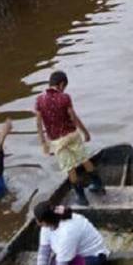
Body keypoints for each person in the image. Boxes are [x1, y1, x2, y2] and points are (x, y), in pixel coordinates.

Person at [35, 71, 105, 206]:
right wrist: (85, 132)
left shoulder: (39, 100)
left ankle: (82, 198)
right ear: (61, 84)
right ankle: (98, 185)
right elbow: (73, 117)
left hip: (57, 141)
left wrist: (43, 143)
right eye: (64, 86)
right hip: (72, 136)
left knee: (70, 168)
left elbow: (38, 122)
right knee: (84, 160)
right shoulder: (65, 97)